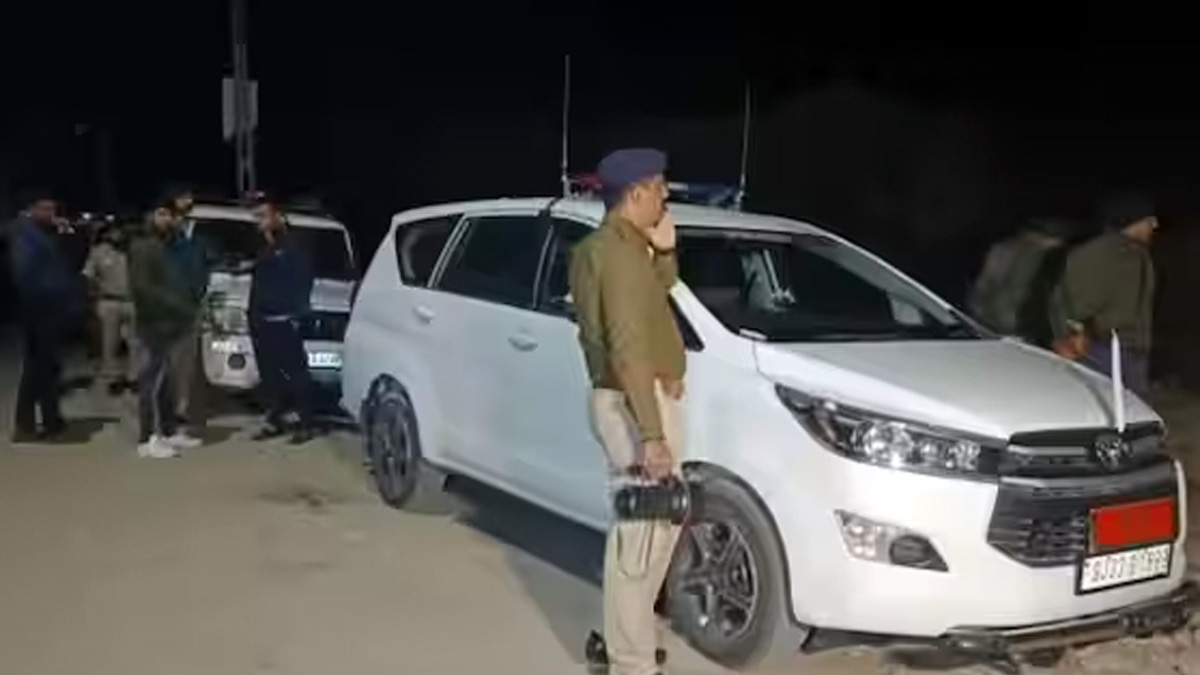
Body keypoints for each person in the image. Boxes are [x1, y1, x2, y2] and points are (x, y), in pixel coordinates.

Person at [568, 148, 685, 675]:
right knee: (640, 539)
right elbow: (628, 345)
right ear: (634, 193)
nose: (666, 195)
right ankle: (630, 662)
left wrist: (664, 251)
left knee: (653, 531)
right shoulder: (616, 255)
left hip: (634, 400)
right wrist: (653, 434)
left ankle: (626, 641)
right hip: (633, 403)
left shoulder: (622, 248)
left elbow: (656, 296)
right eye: (659, 186)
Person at [1050, 190, 1159, 397]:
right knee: (1103, 405)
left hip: (1131, 349)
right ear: (1132, 222)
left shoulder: (1137, 254)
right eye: (1150, 221)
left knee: (1134, 407)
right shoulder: (1097, 255)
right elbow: (1071, 302)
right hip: (1103, 350)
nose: (1154, 226)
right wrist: (1070, 335)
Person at [128, 205, 203, 458]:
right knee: (151, 380)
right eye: (161, 214)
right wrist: (179, 306)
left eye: (169, 215)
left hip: (171, 323)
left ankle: (169, 431)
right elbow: (144, 289)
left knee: (167, 380)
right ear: (149, 216)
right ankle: (147, 438)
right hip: (153, 322)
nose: (167, 219)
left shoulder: (166, 245)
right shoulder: (142, 246)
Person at [9, 193, 81, 442]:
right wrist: (53, 294)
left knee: (49, 368)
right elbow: (27, 274)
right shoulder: (25, 235)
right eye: (46, 209)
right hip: (39, 310)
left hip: (51, 308)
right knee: (38, 369)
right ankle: (25, 425)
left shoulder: (44, 233)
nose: (52, 214)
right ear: (32, 209)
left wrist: (66, 235)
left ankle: (51, 419)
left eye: (53, 209)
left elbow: (66, 261)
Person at [248, 193, 316, 445]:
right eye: (257, 217)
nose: (260, 222)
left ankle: (306, 424)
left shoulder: (294, 244)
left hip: (285, 320)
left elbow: (303, 279)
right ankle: (274, 420)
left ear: (277, 216)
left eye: (264, 216)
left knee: (296, 374)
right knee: (269, 376)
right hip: (262, 320)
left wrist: (297, 314)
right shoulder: (262, 247)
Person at [969, 218, 1070, 341]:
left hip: (1027, 331)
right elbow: (984, 287)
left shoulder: (1053, 260)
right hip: (997, 326)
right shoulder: (1005, 252)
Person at [162, 185, 209, 437]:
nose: (185, 213)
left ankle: (180, 413)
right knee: (164, 366)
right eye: (182, 206)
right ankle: (163, 419)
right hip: (166, 310)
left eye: (189, 207)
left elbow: (201, 274)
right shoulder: (164, 241)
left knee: (186, 368)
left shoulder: (196, 243)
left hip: (188, 311)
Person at [83, 222, 138, 394]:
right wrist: (93, 299)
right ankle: (113, 379)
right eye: (115, 231)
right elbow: (89, 277)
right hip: (109, 301)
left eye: (121, 231)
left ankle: (134, 377)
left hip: (132, 301)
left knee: (135, 343)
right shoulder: (98, 252)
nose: (118, 235)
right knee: (109, 343)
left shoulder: (133, 251)